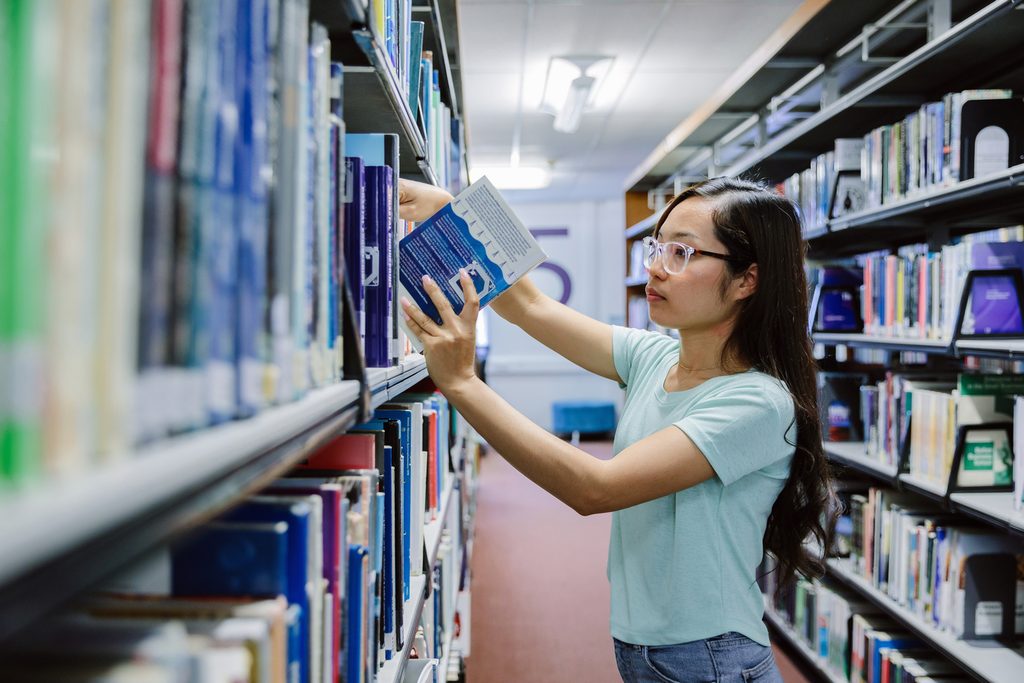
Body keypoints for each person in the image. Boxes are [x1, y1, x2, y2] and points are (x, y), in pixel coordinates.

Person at [397, 176, 835, 683]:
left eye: (681, 253)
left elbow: (595, 488)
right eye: (656, 247)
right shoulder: (655, 356)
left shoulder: (757, 402)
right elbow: (530, 305)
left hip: (709, 658)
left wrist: (462, 384)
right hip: (647, 647)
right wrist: (452, 215)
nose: (655, 267)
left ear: (746, 281)